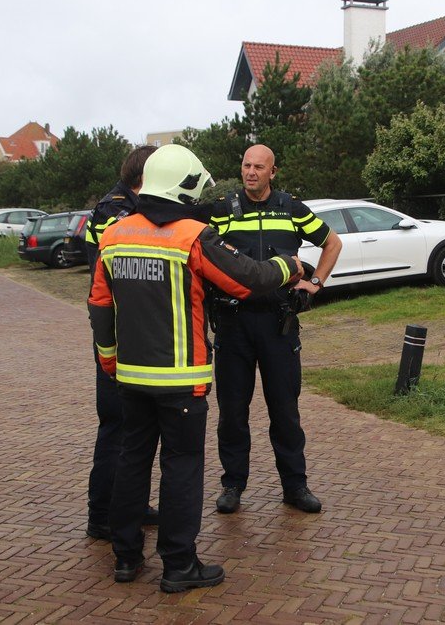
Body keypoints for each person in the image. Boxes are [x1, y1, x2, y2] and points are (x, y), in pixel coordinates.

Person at [87, 144, 304, 592]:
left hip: (130, 375)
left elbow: (99, 307)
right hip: (181, 381)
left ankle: (126, 559)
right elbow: (248, 280)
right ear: (185, 186)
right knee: (181, 467)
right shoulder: (192, 235)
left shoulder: (116, 234)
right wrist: (289, 265)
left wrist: (109, 358)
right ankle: (179, 565)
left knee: (132, 462)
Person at [209, 144, 343, 515]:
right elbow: (201, 252)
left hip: (278, 325)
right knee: (232, 412)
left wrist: (315, 282)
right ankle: (233, 484)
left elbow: (333, 242)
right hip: (234, 324)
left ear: (273, 172)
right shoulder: (223, 211)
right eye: (246, 165)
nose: (251, 172)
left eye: (259, 167)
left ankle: (295, 486)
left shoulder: (291, 209)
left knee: (285, 410)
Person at [83, 145, 158, 541]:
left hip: (133, 329)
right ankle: (101, 516)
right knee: (116, 424)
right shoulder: (113, 209)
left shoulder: (131, 203)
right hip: (115, 331)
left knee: (137, 428)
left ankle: (132, 504)